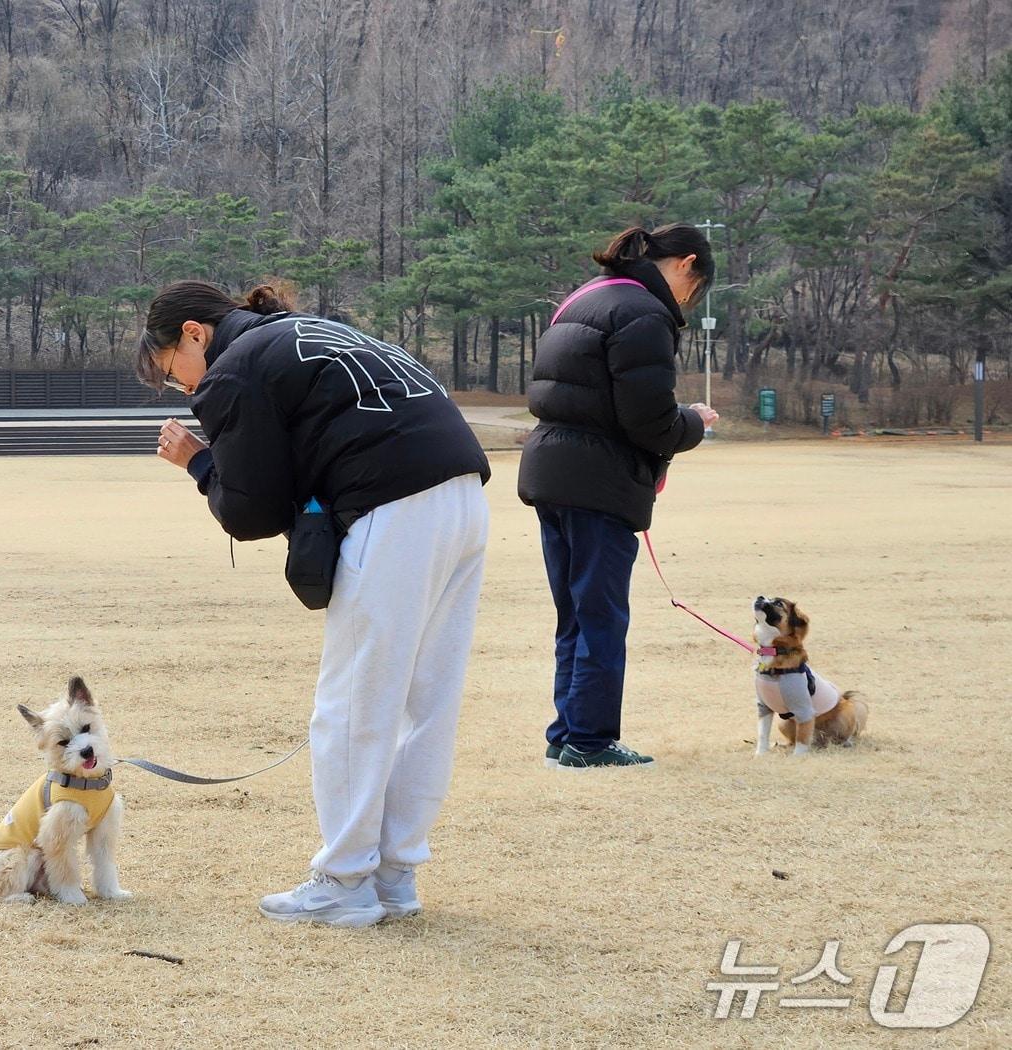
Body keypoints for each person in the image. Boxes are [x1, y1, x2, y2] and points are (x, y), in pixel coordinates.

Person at [137, 280, 490, 928]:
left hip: (393, 502)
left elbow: (251, 509)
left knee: (353, 703)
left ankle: (345, 883)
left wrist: (199, 463)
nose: (184, 389)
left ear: (193, 333)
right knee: (427, 700)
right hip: (464, 493)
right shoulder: (304, 332)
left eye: (172, 371)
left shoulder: (232, 370)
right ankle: (393, 874)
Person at [517, 224, 721, 771]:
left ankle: (568, 733)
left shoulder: (585, 296)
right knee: (601, 616)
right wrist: (693, 423)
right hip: (598, 482)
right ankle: (590, 740)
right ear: (685, 264)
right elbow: (649, 420)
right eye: (693, 288)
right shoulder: (642, 313)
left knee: (576, 615)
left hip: (551, 473)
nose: (686, 301)